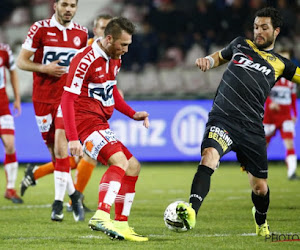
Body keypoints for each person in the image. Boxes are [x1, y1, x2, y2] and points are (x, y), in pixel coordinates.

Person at [176, 7, 300, 237]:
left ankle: (261, 221)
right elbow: (219, 57)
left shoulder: (282, 63)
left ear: (276, 31)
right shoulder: (240, 44)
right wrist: (207, 61)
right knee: (209, 157)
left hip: (252, 128)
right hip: (223, 118)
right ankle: (191, 212)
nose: (258, 32)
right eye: (256, 27)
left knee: (260, 188)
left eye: (264, 28)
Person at [61, 17, 149, 241]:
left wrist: (132, 113)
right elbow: (67, 100)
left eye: (129, 44)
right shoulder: (85, 59)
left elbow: (111, 92)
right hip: (85, 124)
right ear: (109, 39)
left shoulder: (115, 58)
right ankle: (101, 214)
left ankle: (121, 224)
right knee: (119, 162)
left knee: (133, 166)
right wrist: (72, 138)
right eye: (123, 44)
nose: (126, 50)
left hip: (100, 123)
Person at [19, 13, 115, 213]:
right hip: (74, 105)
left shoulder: (110, 52)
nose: (106, 32)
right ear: (95, 30)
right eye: (102, 27)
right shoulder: (88, 48)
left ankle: (53, 186)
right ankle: (71, 198)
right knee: (72, 154)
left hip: (89, 108)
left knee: (78, 155)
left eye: (109, 28)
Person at [17, 0, 87, 222]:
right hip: (41, 98)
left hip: (66, 99)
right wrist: (43, 68)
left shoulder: (82, 33)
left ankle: (57, 205)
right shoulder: (40, 28)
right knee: (54, 153)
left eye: (73, 6)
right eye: (65, 4)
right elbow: (21, 61)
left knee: (60, 146)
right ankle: (74, 195)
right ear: (55, 5)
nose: (69, 9)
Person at [263, 50, 299, 180]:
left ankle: (292, 173)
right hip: (270, 117)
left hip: (285, 116)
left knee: (289, 143)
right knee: (263, 145)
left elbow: (293, 98)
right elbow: (263, 93)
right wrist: (270, 102)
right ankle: (256, 169)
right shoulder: (269, 75)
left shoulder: (292, 80)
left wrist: (295, 114)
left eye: (287, 58)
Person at [0, 42, 23, 204]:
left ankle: (10, 188)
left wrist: (17, 98)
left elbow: (13, 72)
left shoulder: (4, 50)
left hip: (2, 103)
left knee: (10, 144)